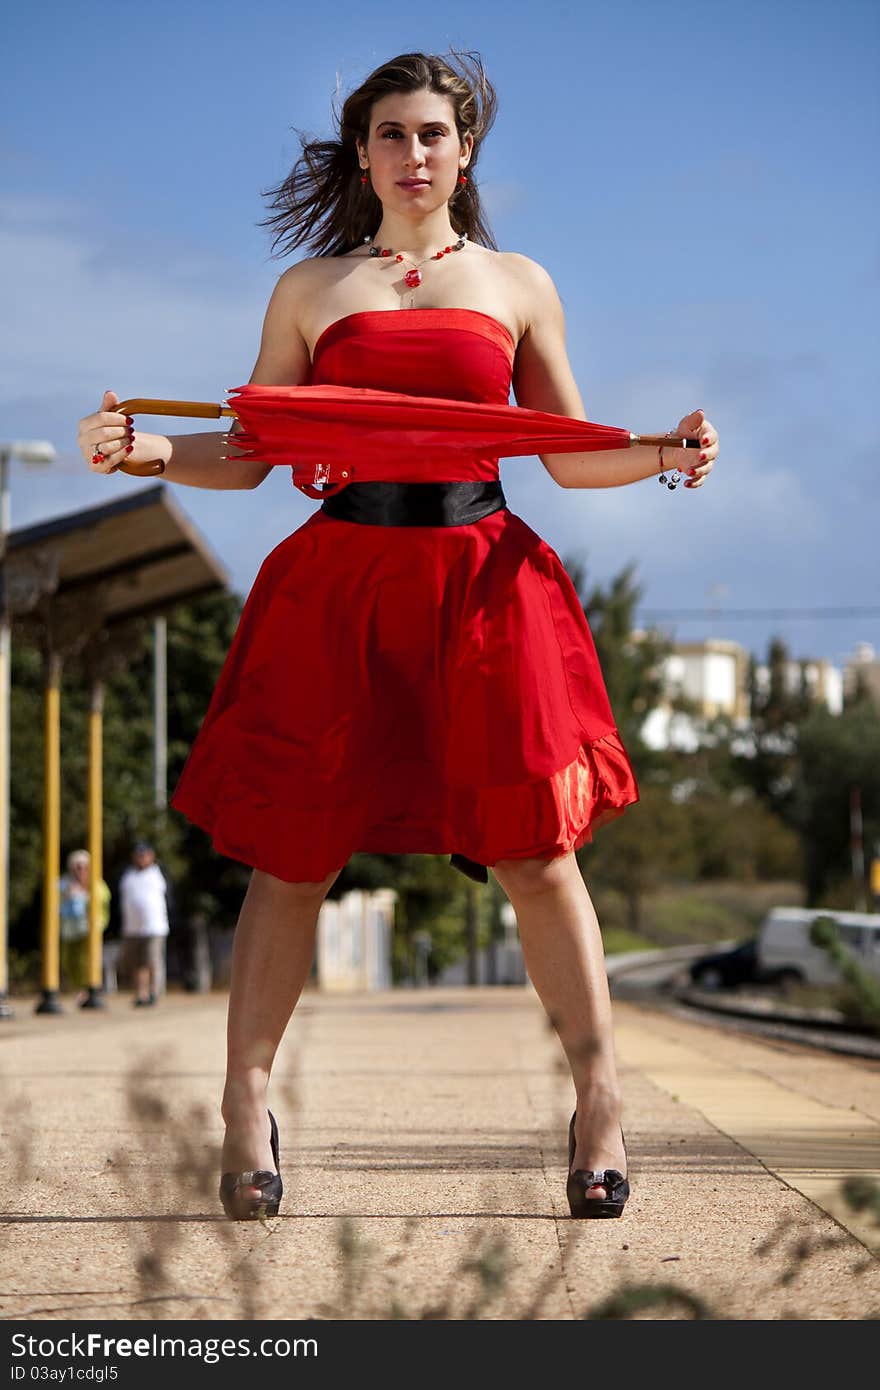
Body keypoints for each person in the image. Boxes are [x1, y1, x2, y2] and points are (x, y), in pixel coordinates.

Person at [77, 50, 719, 1221]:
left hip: (483, 580)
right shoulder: (309, 291)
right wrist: (149, 452)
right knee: (295, 858)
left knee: (534, 852)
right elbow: (252, 449)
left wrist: (665, 454)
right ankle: (245, 1104)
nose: (412, 154)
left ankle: (599, 1103)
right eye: (390, 135)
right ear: (361, 153)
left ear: (464, 149)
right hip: (341, 584)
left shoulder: (519, 282)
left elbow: (567, 449)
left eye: (432, 134)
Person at [117, 840, 173, 1006]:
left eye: (144, 854)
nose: (141, 857)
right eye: (138, 854)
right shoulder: (127, 875)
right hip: (133, 928)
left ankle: (154, 992)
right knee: (137, 963)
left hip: (154, 927)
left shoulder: (158, 873)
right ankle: (141, 993)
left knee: (152, 961)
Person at [58, 849, 111, 1004]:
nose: (80, 870)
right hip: (69, 929)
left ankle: (88, 989)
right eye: (77, 866)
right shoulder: (65, 883)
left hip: (89, 929)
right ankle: (78, 988)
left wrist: (85, 891)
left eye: (83, 866)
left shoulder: (96, 884)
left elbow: (103, 900)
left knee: (85, 960)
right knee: (68, 961)